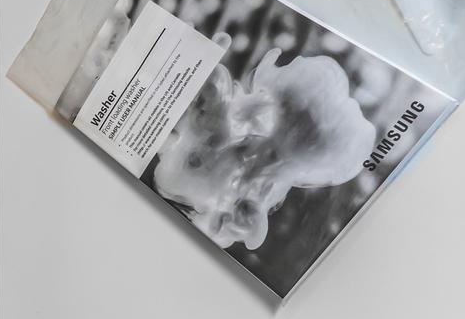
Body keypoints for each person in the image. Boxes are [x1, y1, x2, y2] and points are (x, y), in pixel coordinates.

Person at [149, 40, 373, 251]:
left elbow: (252, 235)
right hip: (188, 160)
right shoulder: (244, 124)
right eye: (272, 149)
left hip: (194, 183)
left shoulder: (261, 188)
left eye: (276, 154)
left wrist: (234, 216)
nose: (263, 154)